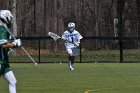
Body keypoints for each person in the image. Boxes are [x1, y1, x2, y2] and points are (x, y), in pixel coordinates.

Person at [0, 10, 21, 93]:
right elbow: (1, 43)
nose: (10, 20)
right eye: (10, 18)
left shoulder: (4, 28)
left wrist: (13, 44)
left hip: (4, 63)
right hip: (0, 62)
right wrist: (14, 44)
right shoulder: (1, 28)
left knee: (13, 81)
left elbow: (6, 43)